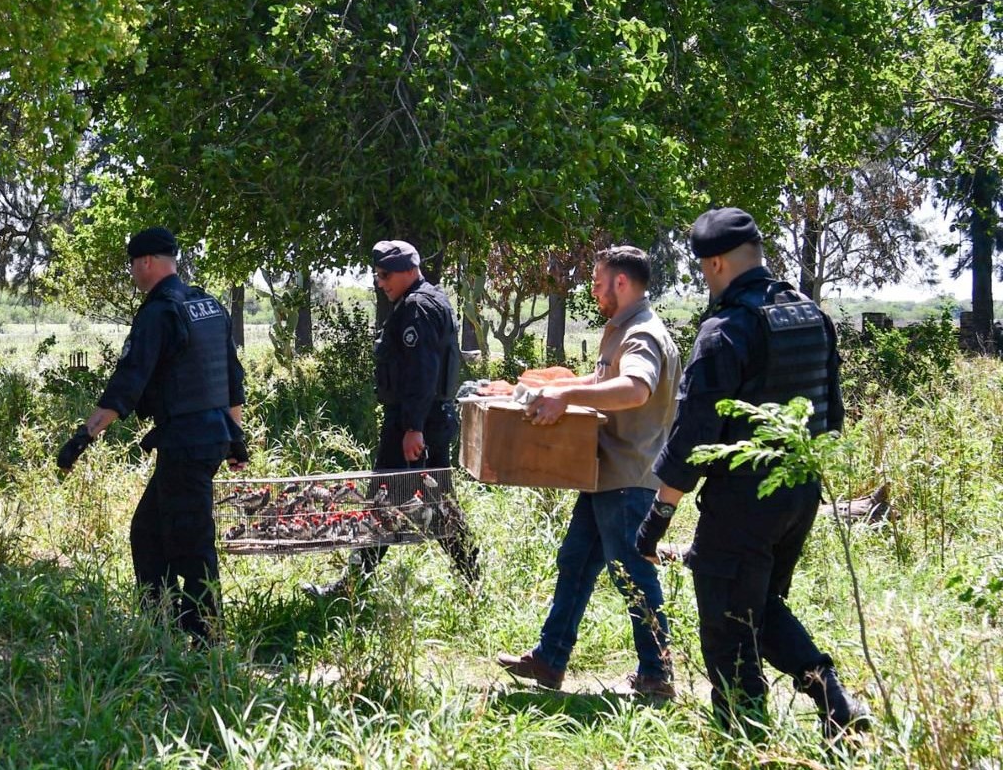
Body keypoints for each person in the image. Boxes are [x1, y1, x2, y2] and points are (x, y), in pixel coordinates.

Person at [635, 207, 870, 736]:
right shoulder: (811, 315)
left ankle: (745, 738)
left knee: (728, 623)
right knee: (761, 606)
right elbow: (830, 413)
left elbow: (693, 434)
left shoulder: (726, 330)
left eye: (702, 269)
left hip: (744, 502)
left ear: (715, 263)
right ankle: (836, 702)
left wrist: (657, 517)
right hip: (801, 490)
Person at [495, 246, 681, 697]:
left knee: (633, 575)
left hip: (630, 477)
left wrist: (569, 399)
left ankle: (657, 676)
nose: (593, 292)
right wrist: (544, 387)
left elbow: (635, 388)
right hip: (604, 474)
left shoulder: (642, 335)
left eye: (598, 283)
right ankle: (550, 660)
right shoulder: (620, 330)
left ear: (622, 283)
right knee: (576, 562)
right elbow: (600, 383)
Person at [59, 226, 247, 644]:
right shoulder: (208, 305)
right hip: (210, 438)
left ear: (145, 262)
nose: (132, 275)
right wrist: (236, 438)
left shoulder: (160, 311)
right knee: (148, 532)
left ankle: (206, 636)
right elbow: (232, 379)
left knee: (191, 541)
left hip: (185, 442)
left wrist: (82, 438)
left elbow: (128, 383)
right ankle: (163, 622)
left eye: (132, 266)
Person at [303, 239, 479, 597]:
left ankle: (349, 587)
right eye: (377, 275)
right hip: (425, 418)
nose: (380, 282)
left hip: (417, 421)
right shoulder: (428, 299)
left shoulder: (417, 307)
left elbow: (422, 372)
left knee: (388, 498)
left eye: (385, 275)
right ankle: (472, 578)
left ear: (408, 271)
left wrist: (413, 427)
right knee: (431, 500)